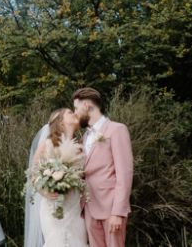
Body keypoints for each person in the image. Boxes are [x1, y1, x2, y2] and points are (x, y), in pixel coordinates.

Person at [73, 88, 133, 247]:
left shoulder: (117, 129)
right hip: (89, 206)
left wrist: (118, 212)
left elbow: (124, 173)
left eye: (76, 108)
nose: (75, 113)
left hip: (111, 207)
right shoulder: (85, 136)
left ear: (86, 105)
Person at [28, 108, 89, 247]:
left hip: (74, 207)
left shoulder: (81, 146)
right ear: (60, 122)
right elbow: (33, 173)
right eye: (69, 112)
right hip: (53, 206)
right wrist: (45, 191)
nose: (74, 113)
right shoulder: (47, 144)